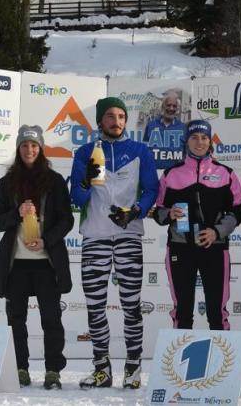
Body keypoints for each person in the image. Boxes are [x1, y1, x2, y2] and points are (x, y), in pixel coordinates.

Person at [70, 96, 159, 390]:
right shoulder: (84, 152)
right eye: (110, 116)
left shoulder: (140, 151)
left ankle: (133, 368)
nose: (117, 121)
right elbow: (78, 199)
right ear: (99, 121)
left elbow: (151, 189)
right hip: (94, 235)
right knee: (95, 306)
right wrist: (83, 181)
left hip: (128, 234)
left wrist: (135, 211)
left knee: (131, 305)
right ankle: (102, 369)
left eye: (121, 116)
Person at [0, 125, 74, 390]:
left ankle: (52, 371)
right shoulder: (6, 183)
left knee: (51, 319)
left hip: (47, 263)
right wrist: (17, 212)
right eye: (25, 145)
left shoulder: (55, 180)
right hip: (16, 264)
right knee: (16, 319)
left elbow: (67, 220)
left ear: (41, 149)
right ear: (18, 149)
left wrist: (46, 240)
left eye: (34, 145)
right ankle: (20, 368)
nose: (29, 150)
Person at [153, 119, 241, 330]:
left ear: (210, 141)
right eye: (194, 137)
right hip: (180, 247)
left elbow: (237, 211)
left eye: (203, 137)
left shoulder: (225, 173)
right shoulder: (171, 174)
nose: (199, 142)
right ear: (186, 141)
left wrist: (217, 232)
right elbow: (157, 211)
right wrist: (169, 213)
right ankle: (181, 362)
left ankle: (221, 362)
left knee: (217, 311)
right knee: (182, 310)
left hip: (215, 247)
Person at [144, 91, 186, 170]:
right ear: (163, 106)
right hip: (154, 173)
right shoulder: (151, 125)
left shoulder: (183, 127)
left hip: (175, 176)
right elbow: (145, 149)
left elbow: (186, 154)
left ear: (177, 108)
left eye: (174, 106)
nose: (171, 108)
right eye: (168, 105)